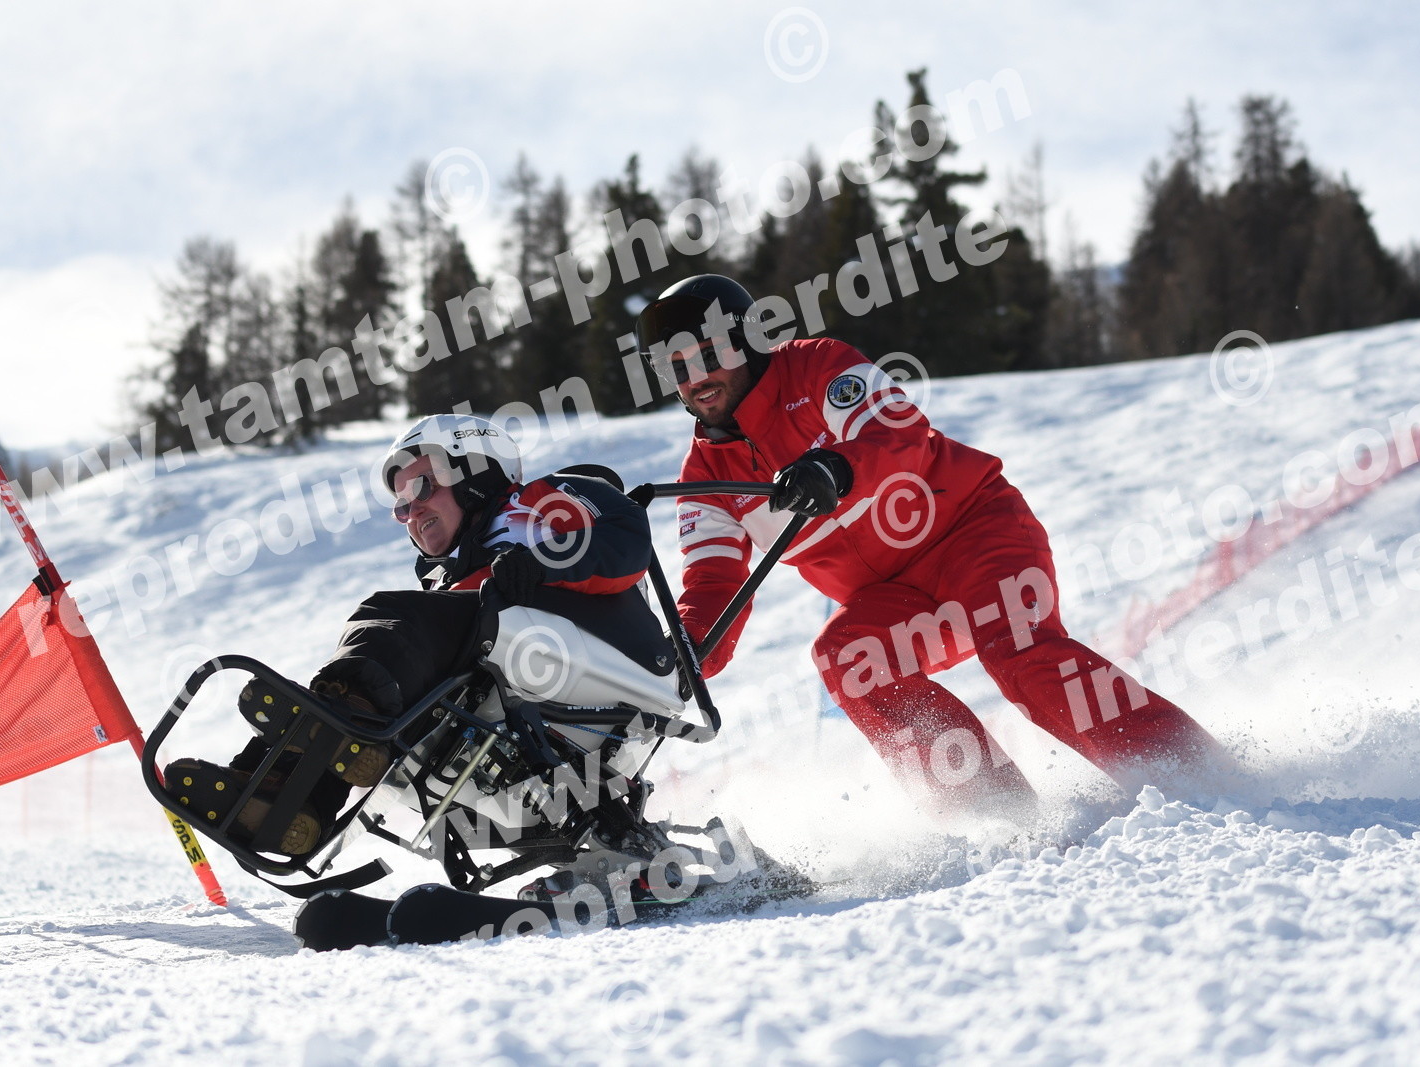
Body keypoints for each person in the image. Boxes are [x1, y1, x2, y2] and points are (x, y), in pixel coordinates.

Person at [637, 274, 1230, 813]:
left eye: (709, 355)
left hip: (975, 533)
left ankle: (1193, 775)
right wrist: (678, 660)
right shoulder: (703, 480)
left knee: (1019, 653)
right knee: (848, 657)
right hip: (896, 598)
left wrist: (836, 467)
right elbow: (712, 586)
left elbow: (899, 435)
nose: (696, 379)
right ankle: (999, 815)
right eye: (676, 367)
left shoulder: (818, 367)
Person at [167, 414, 656, 855]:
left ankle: (344, 721)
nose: (412, 510)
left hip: (602, 657)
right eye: (401, 505)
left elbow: (626, 534)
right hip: (515, 679)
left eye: (422, 486)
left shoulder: (534, 504)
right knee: (390, 707)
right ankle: (283, 798)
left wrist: (541, 562)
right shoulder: (449, 578)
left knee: (385, 618)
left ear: (477, 473)